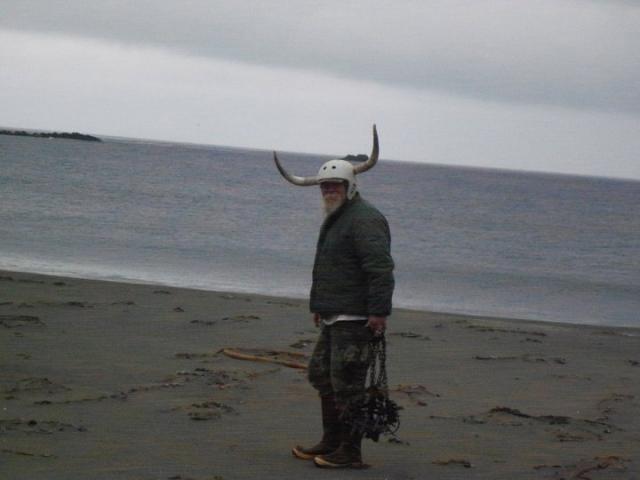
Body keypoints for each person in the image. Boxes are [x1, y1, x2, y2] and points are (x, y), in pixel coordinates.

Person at [273, 126, 394, 468]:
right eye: (325, 186)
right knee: (322, 375)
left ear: (350, 186)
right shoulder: (338, 217)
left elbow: (380, 269)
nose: (328, 190)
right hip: (334, 315)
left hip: (356, 319)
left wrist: (378, 312)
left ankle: (350, 453)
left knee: (348, 384)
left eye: (335, 185)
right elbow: (331, 267)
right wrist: (320, 307)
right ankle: (331, 441)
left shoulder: (365, 219)